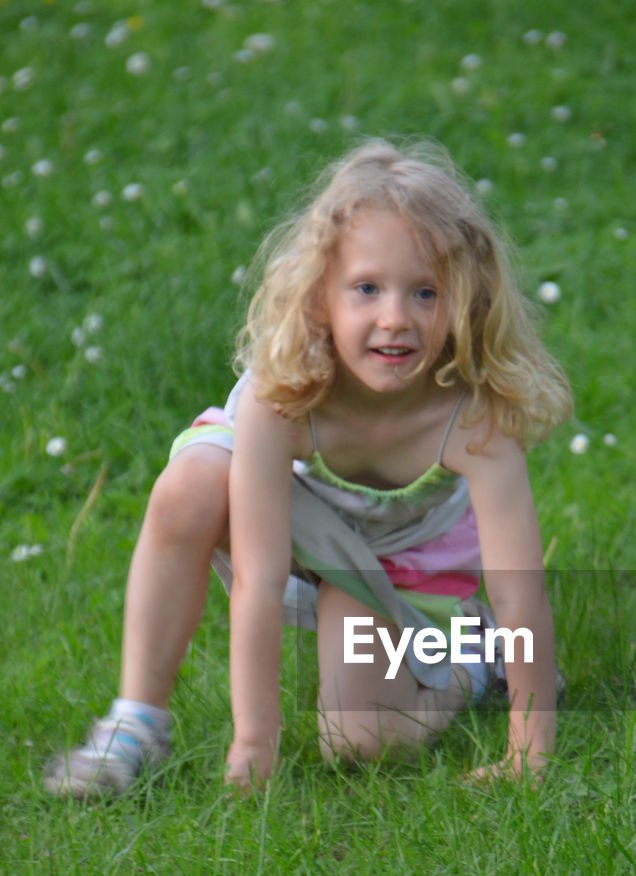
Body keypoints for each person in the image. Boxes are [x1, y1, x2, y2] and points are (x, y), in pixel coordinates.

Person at [44, 138, 571, 798]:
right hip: (290, 535)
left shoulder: (472, 420)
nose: (395, 319)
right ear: (321, 296)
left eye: (426, 292)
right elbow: (259, 582)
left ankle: (472, 663)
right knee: (192, 482)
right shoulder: (286, 397)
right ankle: (137, 723)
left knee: (359, 741)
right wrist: (254, 742)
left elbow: (520, 592)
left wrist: (530, 750)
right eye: (367, 288)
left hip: (392, 571)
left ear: (466, 299)